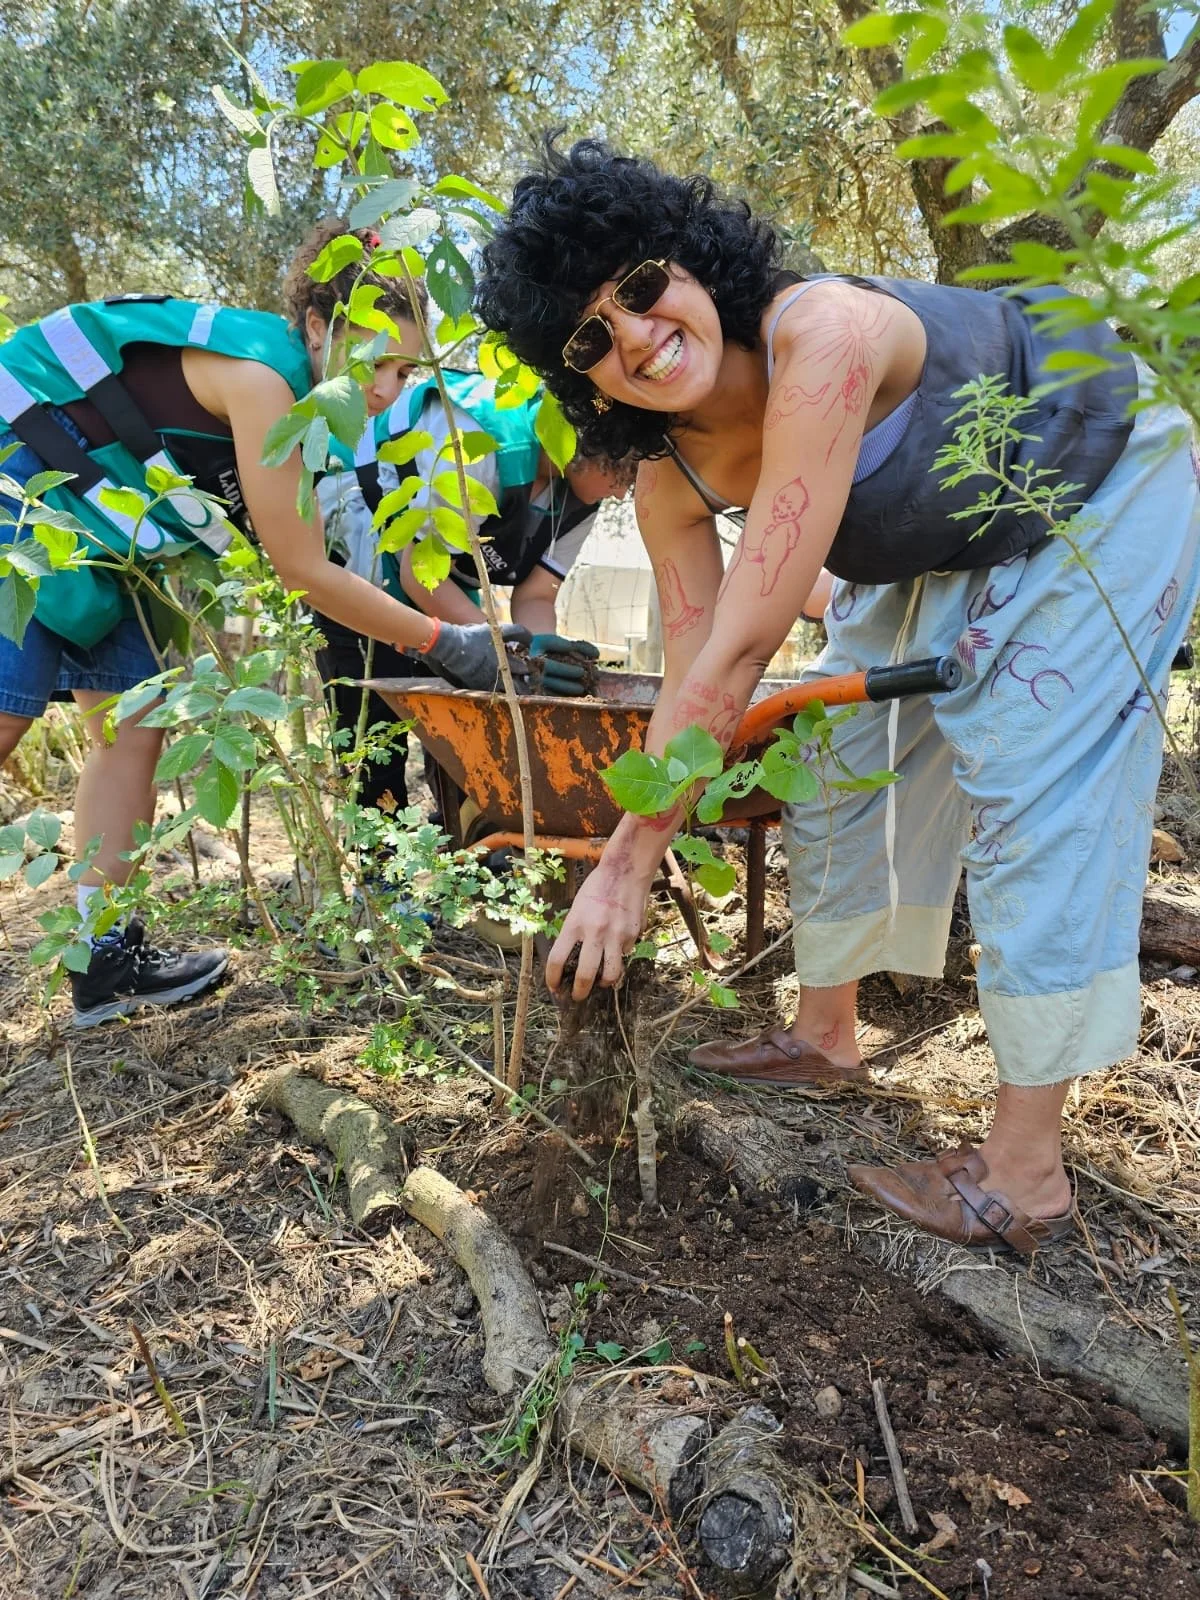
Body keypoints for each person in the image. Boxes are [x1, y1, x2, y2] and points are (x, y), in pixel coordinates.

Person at [476, 139, 1200, 1255]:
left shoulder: (825, 336)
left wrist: (628, 860)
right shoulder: (667, 472)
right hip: (944, 528)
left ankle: (1025, 1174)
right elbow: (696, 659)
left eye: (638, 286)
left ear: (693, 259)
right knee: (833, 745)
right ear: (578, 375)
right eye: (590, 337)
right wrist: (645, 820)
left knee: (1025, 772)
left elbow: (748, 638)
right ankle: (826, 1031)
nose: (633, 334)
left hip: (1096, 476)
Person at [0, 219, 525, 1027]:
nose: (387, 387)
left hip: (112, 520)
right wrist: (447, 644)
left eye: (404, 369)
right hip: (28, 474)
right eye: (375, 358)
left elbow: (335, 559)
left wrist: (463, 634)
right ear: (318, 329)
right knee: (8, 713)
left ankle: (100, 956)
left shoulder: (312, 427)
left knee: (130, 726)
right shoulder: (263, 382)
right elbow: (304, 571)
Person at [316, 364, 635, 812]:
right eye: (624, 478)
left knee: (467, 731)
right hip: (361, 543)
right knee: (372, 723)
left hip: (443, 576)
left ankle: (471, 855)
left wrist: (537, 655)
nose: (622, 495)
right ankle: (376, 869)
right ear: (583, 450)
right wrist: (497, 649)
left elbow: (537, 593)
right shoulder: (476, 449)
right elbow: (419, 576)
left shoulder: (579, 498)